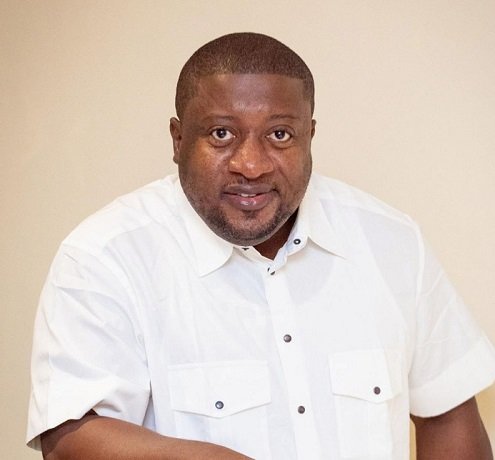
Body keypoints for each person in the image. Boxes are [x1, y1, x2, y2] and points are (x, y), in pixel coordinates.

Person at [27, 32, 495, 460]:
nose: (251, 165)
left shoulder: (392, 242)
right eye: (222, 134)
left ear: (310, 136)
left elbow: (448, 415)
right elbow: (71, 440)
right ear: (178, 139)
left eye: (279, 135)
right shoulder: (103, 257)